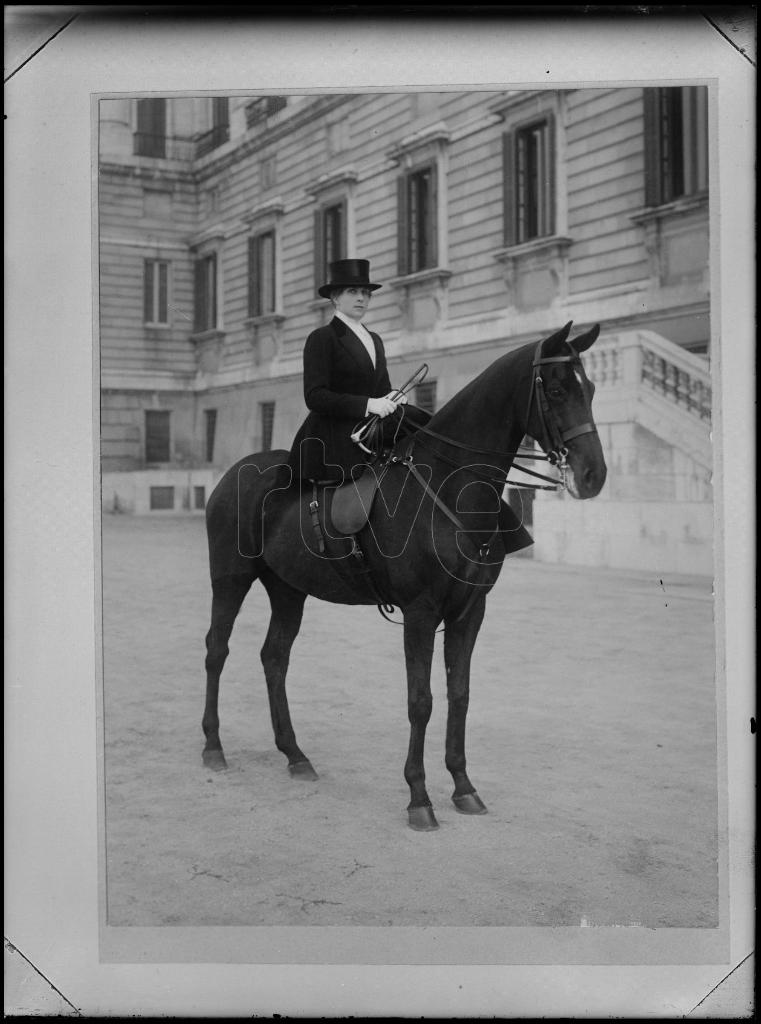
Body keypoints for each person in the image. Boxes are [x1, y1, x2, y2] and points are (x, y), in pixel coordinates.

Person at [288, 258, 429, 485]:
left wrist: (391, 397)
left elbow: (380, 389)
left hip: (371, 428)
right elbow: (314, 396)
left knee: (421, 420)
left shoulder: (374, 339)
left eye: (366, 292)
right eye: (352, 291)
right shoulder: (323, 337)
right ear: (335, 298)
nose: (361, 298)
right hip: (334, 435)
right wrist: (368, 405)